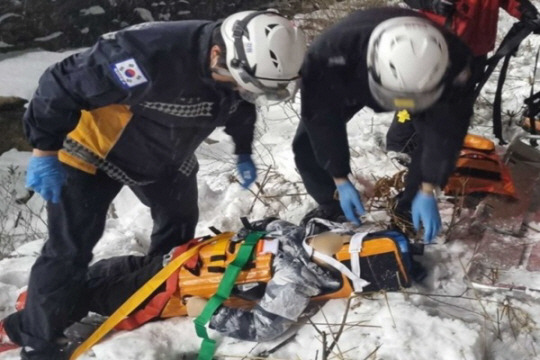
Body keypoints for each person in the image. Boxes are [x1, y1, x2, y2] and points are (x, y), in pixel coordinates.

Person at [2, 10, 306, 359]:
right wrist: (44, 149)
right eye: (237, 82)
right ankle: (37, 339)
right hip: (94, 151)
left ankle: (157, 289)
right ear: (217, 54)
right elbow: (62, 82)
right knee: (69, 249)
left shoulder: (239, 72)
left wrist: (242, 151)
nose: (239, 90)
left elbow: (239, 109)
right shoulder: (147, 54)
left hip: (165, 155)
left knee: (178, 224)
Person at [0, 218, 408, 349]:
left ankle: (20, 329)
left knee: (94, 299)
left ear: (338, 260)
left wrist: (209, 311)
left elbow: (266, 328)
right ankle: (36, 300)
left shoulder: (294, 279)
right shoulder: (300, 237)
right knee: (102, 270)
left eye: (338, 241)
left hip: (166, 292)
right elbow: (270, 230)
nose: (331, 234)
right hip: (170, 263)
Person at [293, 8, 475, 243]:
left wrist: (429, 187)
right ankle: (332, 204)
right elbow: (321, 119)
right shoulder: (329, 55)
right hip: (351, 76)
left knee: (426, 140)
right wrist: (339, 178)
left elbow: (445, 133)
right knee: (307, 141)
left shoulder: (457, 63)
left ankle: (409, 208)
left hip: (426, 87)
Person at [385, 0, 540, 169]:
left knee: (458, 102)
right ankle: (400, 146)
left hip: (476, 48)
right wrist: (429, 3)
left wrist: (525, 11)